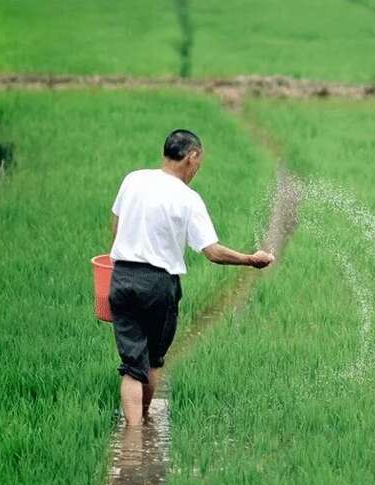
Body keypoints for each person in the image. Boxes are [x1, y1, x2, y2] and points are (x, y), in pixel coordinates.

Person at [109, 128, 274, 426]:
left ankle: (131, 434)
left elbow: (116, 226)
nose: (198, 168)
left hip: (121, 278)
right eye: (199, 162)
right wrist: (250, 259)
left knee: (132, 364)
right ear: (192, 156)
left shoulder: (133, 180)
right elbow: (212, 252)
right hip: (159, 284)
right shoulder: (188, 198)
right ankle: (143, 423)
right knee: (154, 360)